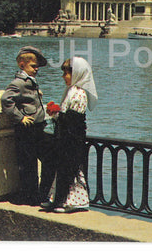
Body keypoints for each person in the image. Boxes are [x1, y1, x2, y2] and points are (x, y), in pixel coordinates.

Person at [42, 57, 98, 213]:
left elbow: (73, 119)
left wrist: (56, 113)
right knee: (62, 170)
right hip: (65, 137)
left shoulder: (79, 94)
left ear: (77, 74)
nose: (63, 77)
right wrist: (56, 113)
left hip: (72, 139)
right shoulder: (70, 91)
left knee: (69, 170)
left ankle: (68, 202)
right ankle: (56, 200)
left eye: (66, 73)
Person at [1, 46, 55, 206]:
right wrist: (20, 118)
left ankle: (39, 194)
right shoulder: (19, 83)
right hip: (26, 129)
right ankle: (30, 196)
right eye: (33, 66)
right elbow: (6, 100)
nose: (36, 69)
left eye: (37, 66)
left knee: (45, 158)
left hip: (37, 128)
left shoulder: (30, 81)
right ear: (22, 64)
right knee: (28, 164)